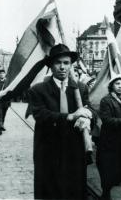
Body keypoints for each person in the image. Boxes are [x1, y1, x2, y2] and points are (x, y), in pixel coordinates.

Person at [28, 44, 94, 200]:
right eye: (58, 63)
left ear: (71, 65)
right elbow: (41, 115)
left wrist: (88, 116)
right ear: (51, 65)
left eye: (66, 63)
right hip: (49, 151)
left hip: (74, 151)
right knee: (50, 192)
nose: (62, 67)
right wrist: (70, 116)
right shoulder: (38, 90)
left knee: (74, 192)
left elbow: (91, 109)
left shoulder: (80, 88)